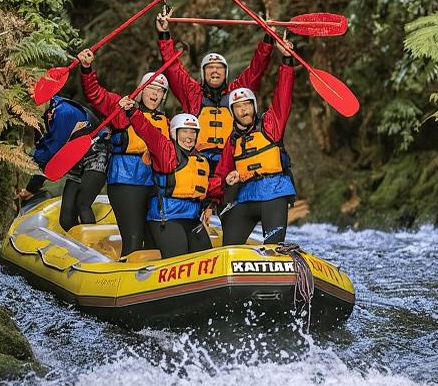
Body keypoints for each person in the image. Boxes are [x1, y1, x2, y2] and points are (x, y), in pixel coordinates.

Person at [78, 48, 169, 257]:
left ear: (164, 96)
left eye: (160, 90)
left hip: (153, 185)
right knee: (134, 239)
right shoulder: (122, 110)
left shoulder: (166, 121)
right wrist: (87, 69)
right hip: (126, 182)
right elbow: (95, 94)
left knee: (154, 240)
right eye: (150, 88)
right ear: (141, 90)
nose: (154, 94)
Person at [206, 39, 298, 247]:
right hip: (245, 196)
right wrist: (221, 186)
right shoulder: (233, 141)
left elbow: (283, 95)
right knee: (229, 246)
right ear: (232, 113)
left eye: (248, 104)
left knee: (273, 247)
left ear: (254, 106)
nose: (244, 110)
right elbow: (219, 177)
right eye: (238, 107)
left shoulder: (270, 125)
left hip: (275, 192)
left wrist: (286, 60)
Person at [155, 9, 275, 166]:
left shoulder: (236, 92)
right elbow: (173, 69)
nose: (215, 71)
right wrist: (164, 35)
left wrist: (268, 40)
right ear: (203, 73)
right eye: (210, 67)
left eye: (219, 68)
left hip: (231, 162)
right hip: (199, 160)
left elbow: (256, 69)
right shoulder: (193, 93)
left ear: (225, 73)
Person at [121, 100, 213, 259]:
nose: (189, 137)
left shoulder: (201, 159)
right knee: (179, 256)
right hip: (166, 218)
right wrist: (133, 112)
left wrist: (213, 201)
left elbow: (211, 186)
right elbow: (148, 131)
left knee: (207, 257)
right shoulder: (166, 152)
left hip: (192, 219)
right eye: (184, 131)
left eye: (193, 132)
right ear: (174, 133)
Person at [22, 94, 109, 231]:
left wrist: (32, 187)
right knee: (66, 216)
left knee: (82, 204)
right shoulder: (47, 114)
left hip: (96, 155)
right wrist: (32, 188)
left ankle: (91, 243)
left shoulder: (63, 112)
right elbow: (46, 147)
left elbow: (50, 151)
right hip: (75, 160)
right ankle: (74, 243)